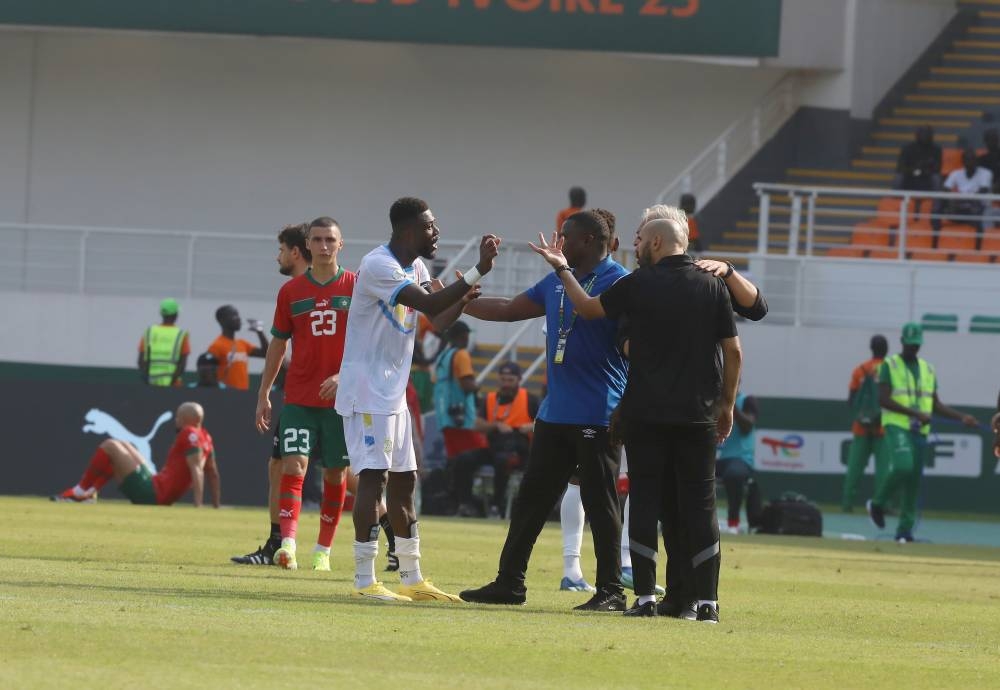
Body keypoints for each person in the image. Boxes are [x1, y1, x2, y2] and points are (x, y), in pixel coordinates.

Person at [530, 208, 742, 622]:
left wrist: (561, 270)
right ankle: (708, 604)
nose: (636, 246)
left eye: (642, 240)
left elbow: (589, 310)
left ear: (658, 243)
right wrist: (726, 405)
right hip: (698, 417)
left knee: (645, 503)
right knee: (701, 509)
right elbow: (733, 351)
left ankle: (644, 599)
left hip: (647, 416)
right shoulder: (712, 287)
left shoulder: (638, 284)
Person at [460, 210, 628, 612]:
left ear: (587, 240)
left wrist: (563, 270)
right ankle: (509, 582)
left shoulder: (619, 280)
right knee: (531, 499)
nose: (557, 241)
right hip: (555, 413)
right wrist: (458, 298)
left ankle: (611, 591)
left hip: (598, 412)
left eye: (565, 236)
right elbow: (506, 309)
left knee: (601, 502)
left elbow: (591, 311)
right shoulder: (556, 280)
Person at [336, 196, 499, 602]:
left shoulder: (416, 266)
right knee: (373, 480)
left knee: (406, 481)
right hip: (368, 392)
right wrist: (478, 268)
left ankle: (412, 578)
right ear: (407, 230)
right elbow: (427, 302)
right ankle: (363, 581)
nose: (436, 232)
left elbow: (438, 319)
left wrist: (462, 298)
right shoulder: (379, 266)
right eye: (429, 226)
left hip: (393, 393)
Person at [254, 217, 356, 571]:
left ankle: (323, 551)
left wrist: (345, 375)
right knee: (293, 466)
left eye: (331, 239)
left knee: (335, 475)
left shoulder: (356, 287)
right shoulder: (291, 292)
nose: (324, 245)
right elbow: (278, 344)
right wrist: (264, 392)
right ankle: (288, 545)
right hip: (299, 398)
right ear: (308, 246)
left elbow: (369, 343)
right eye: (318, 239)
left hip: (341, 401)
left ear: (341, 245)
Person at [866, 323, 979, 543]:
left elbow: (936, 404)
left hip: (920, 429)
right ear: (902, 342)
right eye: (910, 344)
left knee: (913, 481)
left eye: (917, 345)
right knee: (902, 466)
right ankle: (877, 504)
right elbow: (883, 399)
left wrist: (962, 417)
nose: (914, 349)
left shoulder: (928, 368)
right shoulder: (889, 365)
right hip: (897, 425)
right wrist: (915, 413)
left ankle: (904, 531)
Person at [53, 402, 219, 507]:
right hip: (157, 485)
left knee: (110, 445)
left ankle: (80, 491)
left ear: (186, 419)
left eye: (178, 417)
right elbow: (213, 474)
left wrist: (198, 505)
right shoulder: (206, 437)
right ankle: (90, 494)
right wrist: (216, 504)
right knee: (125, 445)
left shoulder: (188, 432)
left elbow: (196, 469)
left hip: (154, 494)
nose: (176, 420)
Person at [448, 361, 539, 518]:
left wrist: (530, 426)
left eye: (510, 380)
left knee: (502, 461)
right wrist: (496, 425)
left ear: (519, 380)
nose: (506, 384)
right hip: (494, 446)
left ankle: (497, 506)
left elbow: (544, 423)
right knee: (463, 459)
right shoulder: (490, 399)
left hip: (518, 450)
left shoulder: (530, 399)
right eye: (503, 379)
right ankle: (465, 504)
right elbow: (477, 424)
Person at [840, 335, 888, 512]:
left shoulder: (860, 370)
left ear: (871, 349)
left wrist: (863, 417)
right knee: (884, 471)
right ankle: (882, 505)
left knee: (854, 469)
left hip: (861, 428)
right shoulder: (890, 369)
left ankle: (847, 504)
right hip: (883, 429)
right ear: (886, 350)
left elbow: (851, 400)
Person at [434, 320, 488, 468]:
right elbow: (466, 384)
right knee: (474, 455)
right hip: (461, 418)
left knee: (454, 459)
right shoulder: (462, 354)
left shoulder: (443, 356)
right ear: (463, 336)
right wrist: (477, 386)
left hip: (444, 415)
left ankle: (452, 489)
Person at [716, 388, 758, 534]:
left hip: (742, 459)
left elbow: (747, 426)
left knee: (733, 474)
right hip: (719, 459)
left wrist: (730, 404)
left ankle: (733, 523)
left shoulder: (748, 400)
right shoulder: (713, 401)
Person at [207, 305, 268, 391]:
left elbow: (266, 354)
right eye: (234, 315)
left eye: (238, 315)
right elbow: (210, 376)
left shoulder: (242, 343)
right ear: (222, 320)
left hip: (243, 393)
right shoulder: (216, 346)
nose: (238, 319)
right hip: (225, 394)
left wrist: (260, 332)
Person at [138, 298, 190, 387]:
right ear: (176, 314)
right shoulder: (181, 335)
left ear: (161, 314)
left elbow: (141, 361)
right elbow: (182, 364)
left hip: (151, 384)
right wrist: (170, 383)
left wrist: (148, 380)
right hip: (174, 386)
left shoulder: (149, 332)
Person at [943, 148, 993, 234]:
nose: (970, 162)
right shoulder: (956, 173)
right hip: (961, 208)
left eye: (972, 159)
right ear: (963, 161)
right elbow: (945, 189)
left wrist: (960, 199)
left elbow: (983, 191)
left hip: (979, 208)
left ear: (976, 161)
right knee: (948, 206)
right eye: (967, 159)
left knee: (977, 207)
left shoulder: (986, 173)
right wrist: (956, 199)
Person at [894, 126, 942, 192]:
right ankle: (896, 200)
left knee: (936, 178)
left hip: (927, 176)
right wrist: (915, 171)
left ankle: (937, 202)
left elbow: (937, 168)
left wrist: (922, 170)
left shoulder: (936, 150)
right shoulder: (908, 148)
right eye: (922, 134)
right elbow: (901, 167)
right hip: (910, 175)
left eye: (927, 134)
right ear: (917, 135)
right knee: (899, 176)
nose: (925, 136)